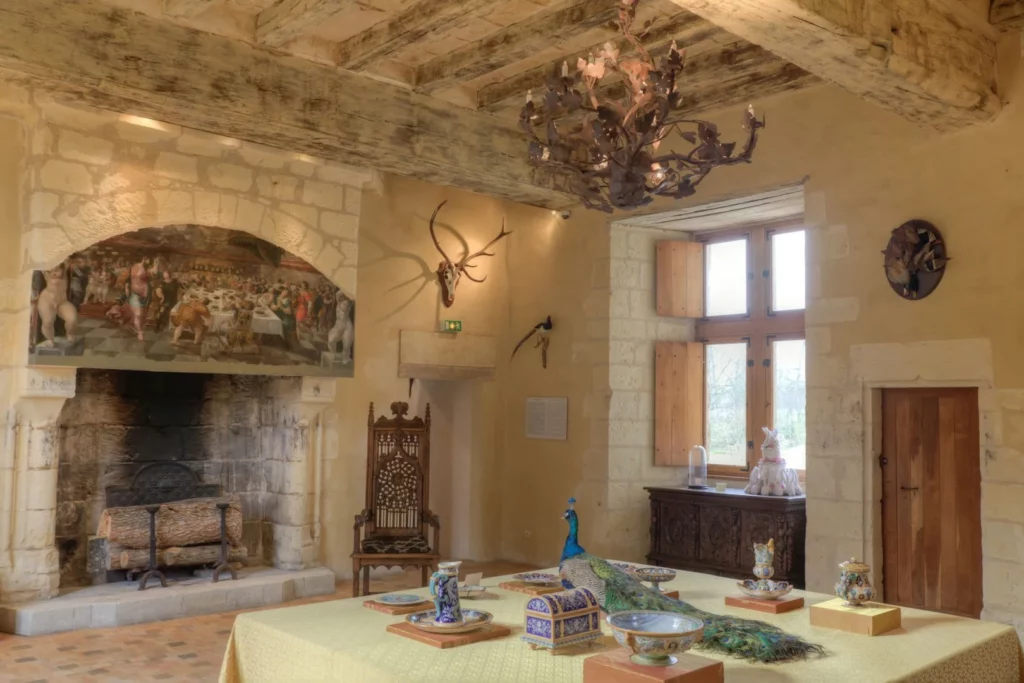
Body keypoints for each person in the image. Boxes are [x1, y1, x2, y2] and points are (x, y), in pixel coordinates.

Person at [35, 260, 78, 348]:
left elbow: (67, 257)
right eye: (52, 270)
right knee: (48, 322)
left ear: (62, 269)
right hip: (47, 301)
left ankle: (70, 334)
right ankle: (50, 339)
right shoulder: (46, 274)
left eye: (57, 270)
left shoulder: (65, 271)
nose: (54, 273)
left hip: (62, 302)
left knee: (72, 319)